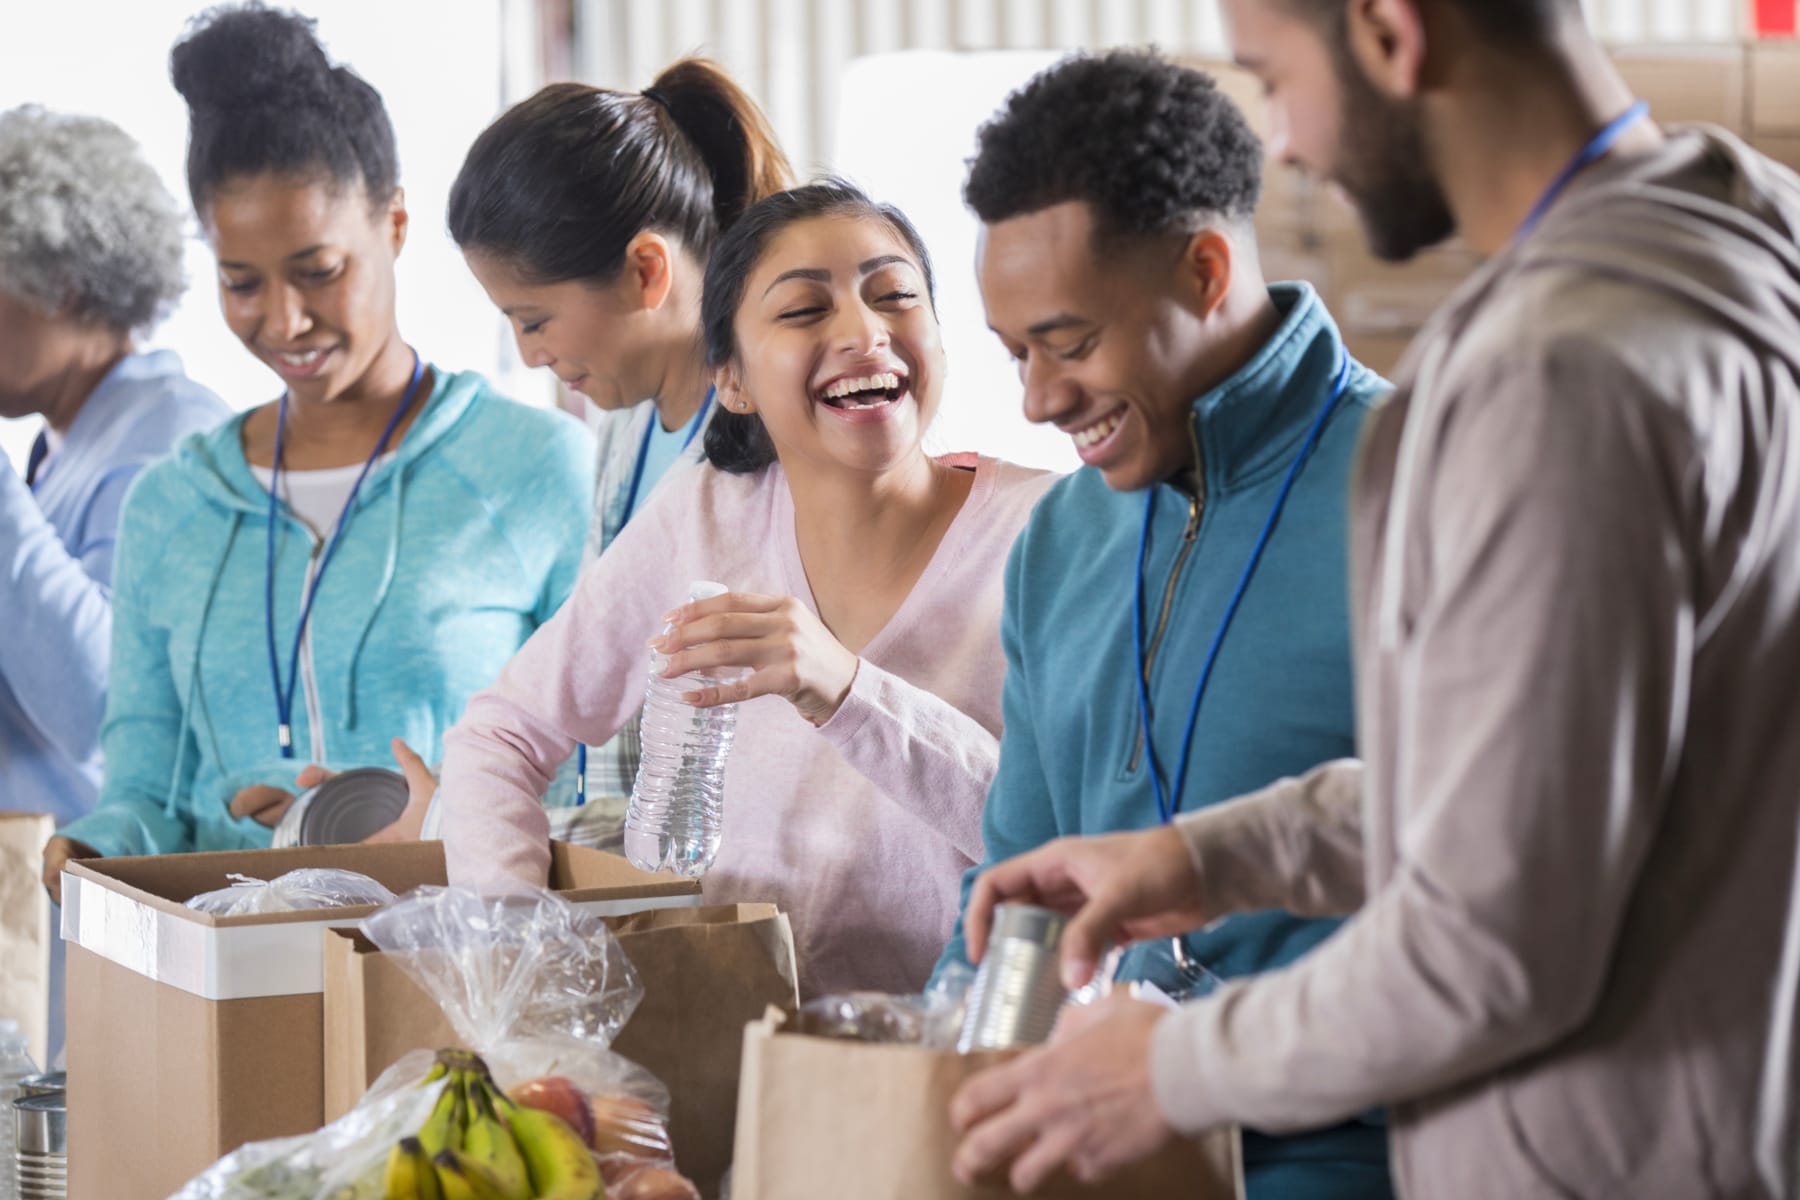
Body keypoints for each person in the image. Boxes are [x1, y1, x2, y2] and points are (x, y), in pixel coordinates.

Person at [949, 2, 1800, 1197]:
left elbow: (1492, 942)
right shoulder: (1731, 255)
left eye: (1276, 78)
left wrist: (1169, 1069)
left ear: (1393, 35)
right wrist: (1219, 856)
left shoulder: (1554, 376)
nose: (1286, 146)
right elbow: (1537, 795)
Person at [932, 51, 1392, 1199]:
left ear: (1203, 270)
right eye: (1013, 354)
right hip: (1109, 1157)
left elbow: (1502, 878)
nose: (1037, 399)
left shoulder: (1423, 486)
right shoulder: (1059, 543)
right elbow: (1017, 901)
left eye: (1070, 343)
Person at [439, 180, 1055, 997]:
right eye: (805, 311)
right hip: (729, 1052)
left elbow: (1081, 843)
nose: (865, 331)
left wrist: (847, 690)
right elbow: (501, 736)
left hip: (960, 1075)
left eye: (896, 297)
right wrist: (518, 961)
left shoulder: (1050, 530)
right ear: (730, 379)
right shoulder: (708, 511)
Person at [40, 4, 592, 898]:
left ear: (397, 225)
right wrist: (95, 850)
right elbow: (141, 791)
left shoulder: (534, 467)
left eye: (318, 271)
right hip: (233, 993)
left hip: (457, 981)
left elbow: (605, 779)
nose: (285, 321)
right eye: (241, 283)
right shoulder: (171, 504)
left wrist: (450, 818)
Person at [447, 60, 793, 845]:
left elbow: (738, 774)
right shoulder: (626, 429)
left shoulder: (770, 446)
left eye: (534, 321)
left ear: (646, 271)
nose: (530, 355)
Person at [0, 104, 229, 1056]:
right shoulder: (64, 451)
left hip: (68, 899)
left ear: (69, 287)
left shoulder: (170, 439)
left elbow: (102, 703)